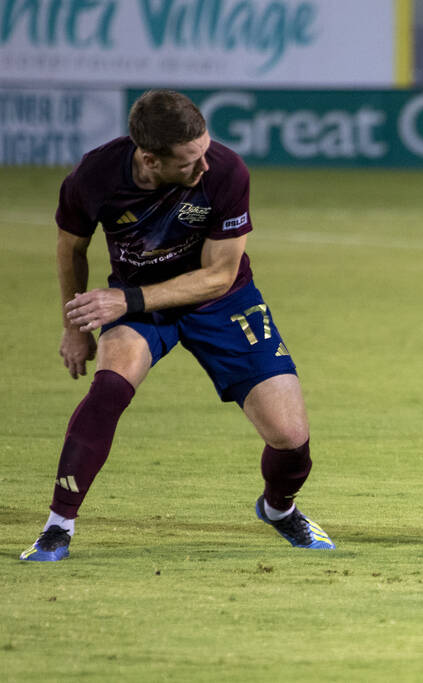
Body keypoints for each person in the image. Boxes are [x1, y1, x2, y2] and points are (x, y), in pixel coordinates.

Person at [19, 90, 334, 562]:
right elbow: (71, 247)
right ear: (149, 159)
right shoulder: (95, 175)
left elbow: (219, 275)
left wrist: (126, 299)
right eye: (190, 161)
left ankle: (277, 508)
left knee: (290, 438)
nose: (204, 166)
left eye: (205, 151)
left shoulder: (227, 171)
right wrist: (74, 326)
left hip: (221, 302)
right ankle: (58, 526)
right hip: (138, 306)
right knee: (107, 392)